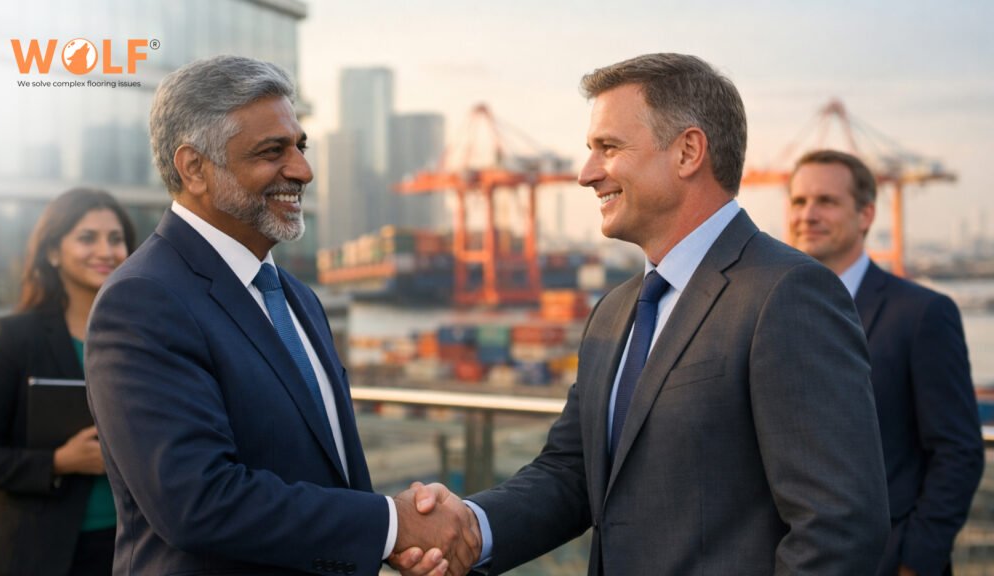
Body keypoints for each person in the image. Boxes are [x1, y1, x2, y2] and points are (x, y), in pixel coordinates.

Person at [394, 53, 891, 576]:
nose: (586, 174)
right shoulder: (613, 311)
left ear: (688, 152)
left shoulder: (788, 294)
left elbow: (839, 525)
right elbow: (573, 473)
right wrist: (472, 525)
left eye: (608, 148)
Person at [84, 55, 475, 576]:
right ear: (194, 168)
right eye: (273, 152)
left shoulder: (297, 297)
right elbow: (198, 501)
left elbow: (326, 472)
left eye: (301, 147)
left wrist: (384, 543)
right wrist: (390, 523)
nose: (303, 170)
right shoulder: (143, 300)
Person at [788, 149, 984, 576]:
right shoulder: (773, 312)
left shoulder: (922, 314)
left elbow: (959, 452)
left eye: (827, 201)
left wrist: (915, 562)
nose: (808, 214)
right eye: (799, 202)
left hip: (886, 561)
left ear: (866, 215)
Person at [0, 187, 137, 575]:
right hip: (41, 551)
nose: (106, 251)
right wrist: (59, 462)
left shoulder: (143, 337)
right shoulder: (14, 337)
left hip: (133, 544)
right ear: (53, 253)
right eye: (86, 238)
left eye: (116, 239)